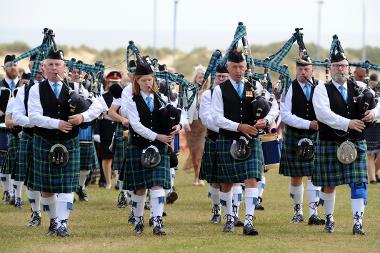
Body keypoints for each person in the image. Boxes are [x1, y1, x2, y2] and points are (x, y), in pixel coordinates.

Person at [28, 49, 102, 237]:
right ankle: (53, 221)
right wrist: (57, 124)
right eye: (50, 65)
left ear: (64, 68)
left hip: (69, 141)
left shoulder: (77, 89)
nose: (54, 68)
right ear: (43, 68)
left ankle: (62, 223)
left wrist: (82, 117)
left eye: (58, 65)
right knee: (46, 189)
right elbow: (34, 117)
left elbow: (99, 105)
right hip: (44, 140)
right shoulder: (36, 89)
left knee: (67, 186)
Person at [312, 40, 380, 235]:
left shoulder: (360, 86)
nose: (340, 69)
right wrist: (348, 123)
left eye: (343, 65)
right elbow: (323, 114)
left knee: (359, 182)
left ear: (348, 68)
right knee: (329, 184)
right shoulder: (321, 89)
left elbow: (378, 103)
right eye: (336, 66)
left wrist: (373, 114)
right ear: (330, 68)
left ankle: (358, 222)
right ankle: (329, 219)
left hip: (357, 141)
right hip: (330, 141)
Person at [211, 50, 277, 235]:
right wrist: (239, 127)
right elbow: (216, 117)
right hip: (228, 138)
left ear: (246, 67)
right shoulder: (219, 89)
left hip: (251, 140)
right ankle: (230, 217)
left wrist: (267, 120)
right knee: (227, 182)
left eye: (241, 67)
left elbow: (274, 106)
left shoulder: (255, 86)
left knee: (251, 179)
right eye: (234, 67)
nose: (238, 71)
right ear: (228, 68)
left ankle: (248, 220)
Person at [120, 59, 181, 235]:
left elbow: (179, 116)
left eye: (150, 79)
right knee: (139, 188)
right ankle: (138, 221)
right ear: (137, 81)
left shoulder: (162, 99)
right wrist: (157, 136)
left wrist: (178, 126)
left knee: (157, 186)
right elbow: (136, 125)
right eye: (144, 80)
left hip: (159, 148)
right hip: (139, 146)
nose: (148, 83)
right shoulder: (132, 101)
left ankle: (157, 221)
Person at [279, 56, 325, 225]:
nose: (303, 72)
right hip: (295, 135)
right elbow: (285, 115)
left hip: (316, 135)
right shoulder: (288, 88)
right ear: (295, 70)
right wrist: (308, 124)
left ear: (312, 70)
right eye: (300, 69)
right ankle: (297, 211)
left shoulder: (320, 86)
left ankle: (314, 213)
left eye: (306, 69)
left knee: (314, 174)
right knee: (296, 176)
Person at [13, 55, 44, 225]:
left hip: (51, 137)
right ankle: (36, 213)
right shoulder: (23, 90)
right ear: (30, 66)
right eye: (35, 65)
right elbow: (17, 116)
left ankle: (57, 217)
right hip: (31, 135)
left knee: (49, 178)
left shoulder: (56, 89)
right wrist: (34, 122)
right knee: (32, 179)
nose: (39, 69)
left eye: (41, 65)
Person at [199, 63, 229, 224]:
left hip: (231, 138)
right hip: (215, 138)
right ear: (214, 78)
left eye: (225, 76)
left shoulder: (233, 93)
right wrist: (226, 127)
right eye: (219, 76)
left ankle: (231, 212)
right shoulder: (207, 95)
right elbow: (206, 118)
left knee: (232, 177)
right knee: (214, 179)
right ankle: (217, 210)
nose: (222, 79)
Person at [0, 55, 20, 205]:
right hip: (1, 127)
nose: (14, 67)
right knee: (3, 163)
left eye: (16, 65)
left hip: (16, 129)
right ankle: (7, 190)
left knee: (14, 162)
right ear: (5, 68)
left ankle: (14, 192)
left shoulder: (23, 85)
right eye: (10, 65)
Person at [183, 65, 208, 186]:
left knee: (201, 150)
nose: (201, 79)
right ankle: (196, 175)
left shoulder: (209, 92)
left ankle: (199, 176)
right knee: (194, 152)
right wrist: (185, 122)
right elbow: (185, 108)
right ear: (195, 78)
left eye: (203, 77)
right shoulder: (189, 91)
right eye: (199, 76)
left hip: (204, 126)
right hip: (192, 126)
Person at [364, 73, 380, 184]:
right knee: (370, 153)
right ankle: (372, 178)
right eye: (371, 81)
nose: (373, 83)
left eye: (375, 81)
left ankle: (374, 172)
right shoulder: (365, 90)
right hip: (371, 124)